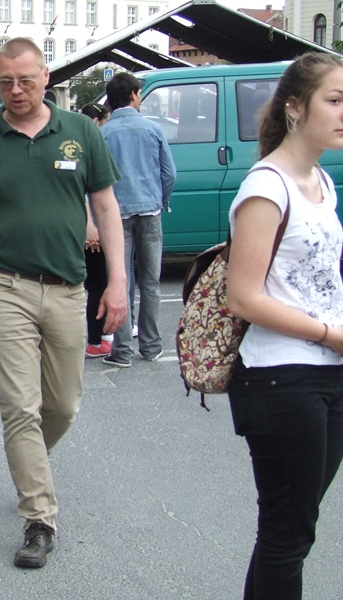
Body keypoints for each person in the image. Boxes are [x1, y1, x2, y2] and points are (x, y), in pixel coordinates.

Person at [0, 38, 127, 569]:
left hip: (68, 287)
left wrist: (116, 281)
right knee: (20, 407)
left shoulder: (81, 132)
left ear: (46, 76)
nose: (16, 91)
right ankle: (39, 517)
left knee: (63, 405)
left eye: (25, 80)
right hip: (3, 287)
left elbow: (107, 208)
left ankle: (30, 466)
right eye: (5, 82)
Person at [226, 51, 343, 600]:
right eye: (336, 100)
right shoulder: (267, 186)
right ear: (295, 107)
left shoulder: (321, 179)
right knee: (287, 533)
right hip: (281, 377)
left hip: (329, 371)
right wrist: (329, 333)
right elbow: (243, 297)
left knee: (294, 531)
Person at [100, 72, 175, 368]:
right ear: (132, 94)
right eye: (139, 93)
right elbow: (169, 173)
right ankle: (151, 346)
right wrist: (160, 200)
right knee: (150, 281)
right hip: (150, 210)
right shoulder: (152, 129)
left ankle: (122, 351)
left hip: (116, 215)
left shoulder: (104, 133)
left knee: (121, 280)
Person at [79, 102, 114, 358]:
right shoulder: (90, 143)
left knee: (97, 283)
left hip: (93, 224)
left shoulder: (87, 140)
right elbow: (83, 192)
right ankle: (95, 339)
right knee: (98, 283)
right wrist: (90, 225)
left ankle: (98, 338)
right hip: (94, 227)